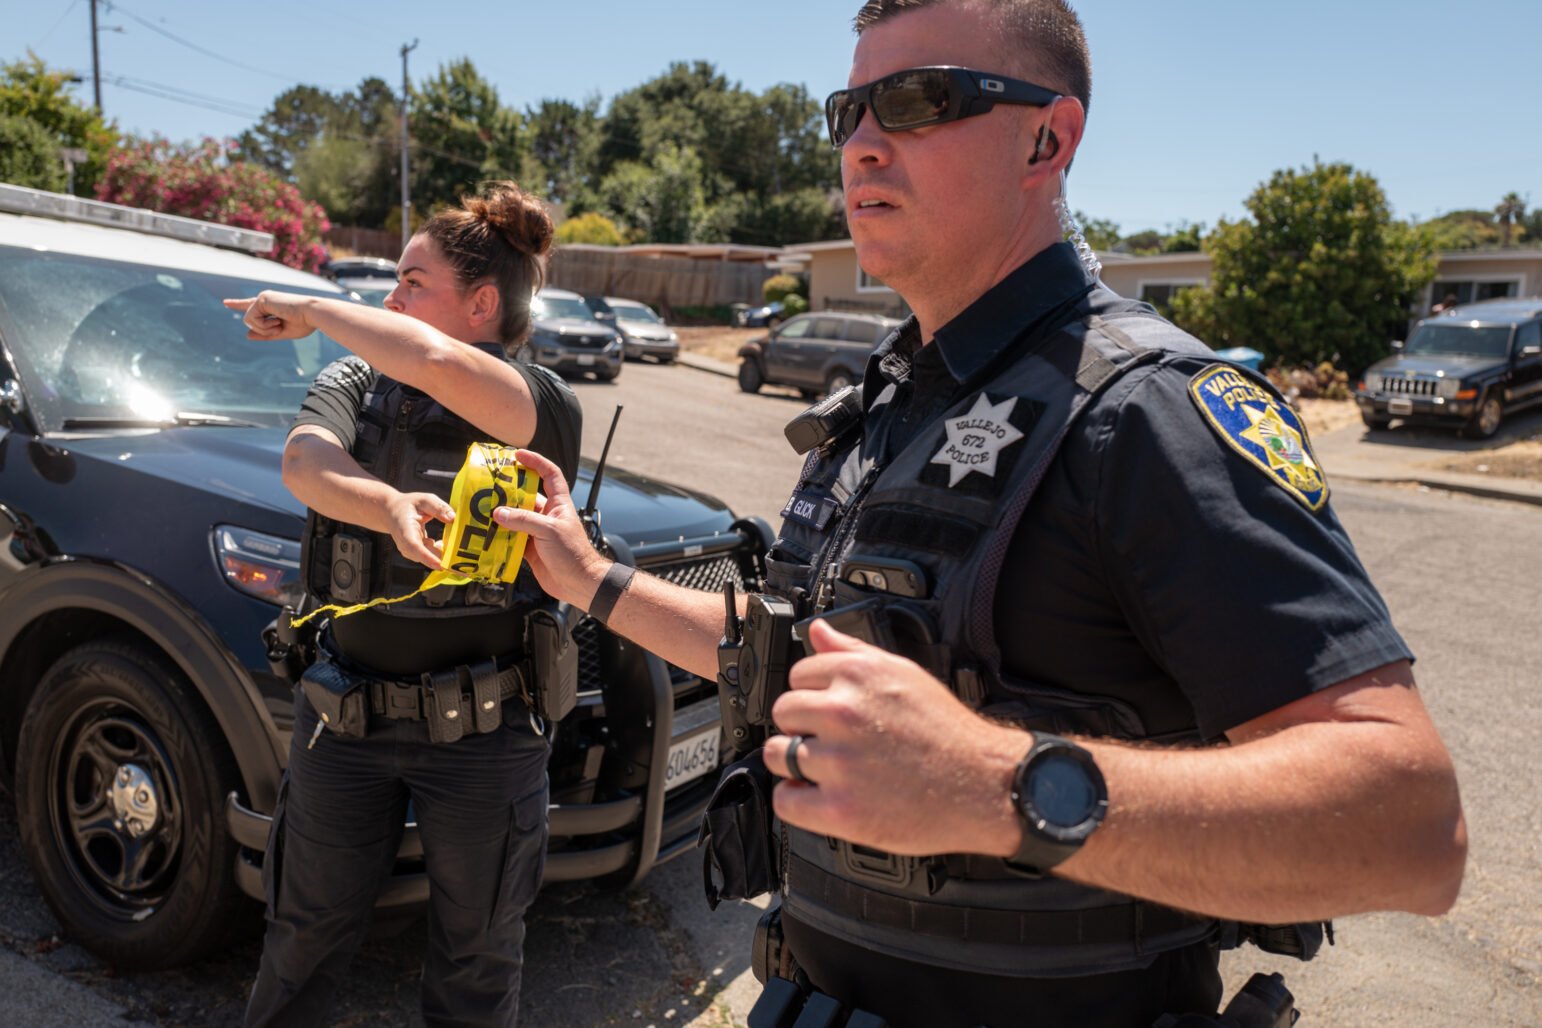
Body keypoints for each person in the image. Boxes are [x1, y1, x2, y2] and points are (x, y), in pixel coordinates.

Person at [493, 2, 1467, 1025]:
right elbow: (790, 656)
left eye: (919, 101)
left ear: (1049, 138)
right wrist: (584, 574)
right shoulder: (892, 400)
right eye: (849, 111)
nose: (863, 143)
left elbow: (1410, 821)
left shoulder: (1149, 410)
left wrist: (996, 786)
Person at [229, 181, 581, 1027]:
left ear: (483, 303)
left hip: (485, 741)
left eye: (412, 282)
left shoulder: (541, 402)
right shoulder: (357, 379)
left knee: (476, 967)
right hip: (344, 726)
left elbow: (432, 362)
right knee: (299, 948)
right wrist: (385, 505)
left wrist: (314, 305)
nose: (390, 298)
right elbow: (305, 462)